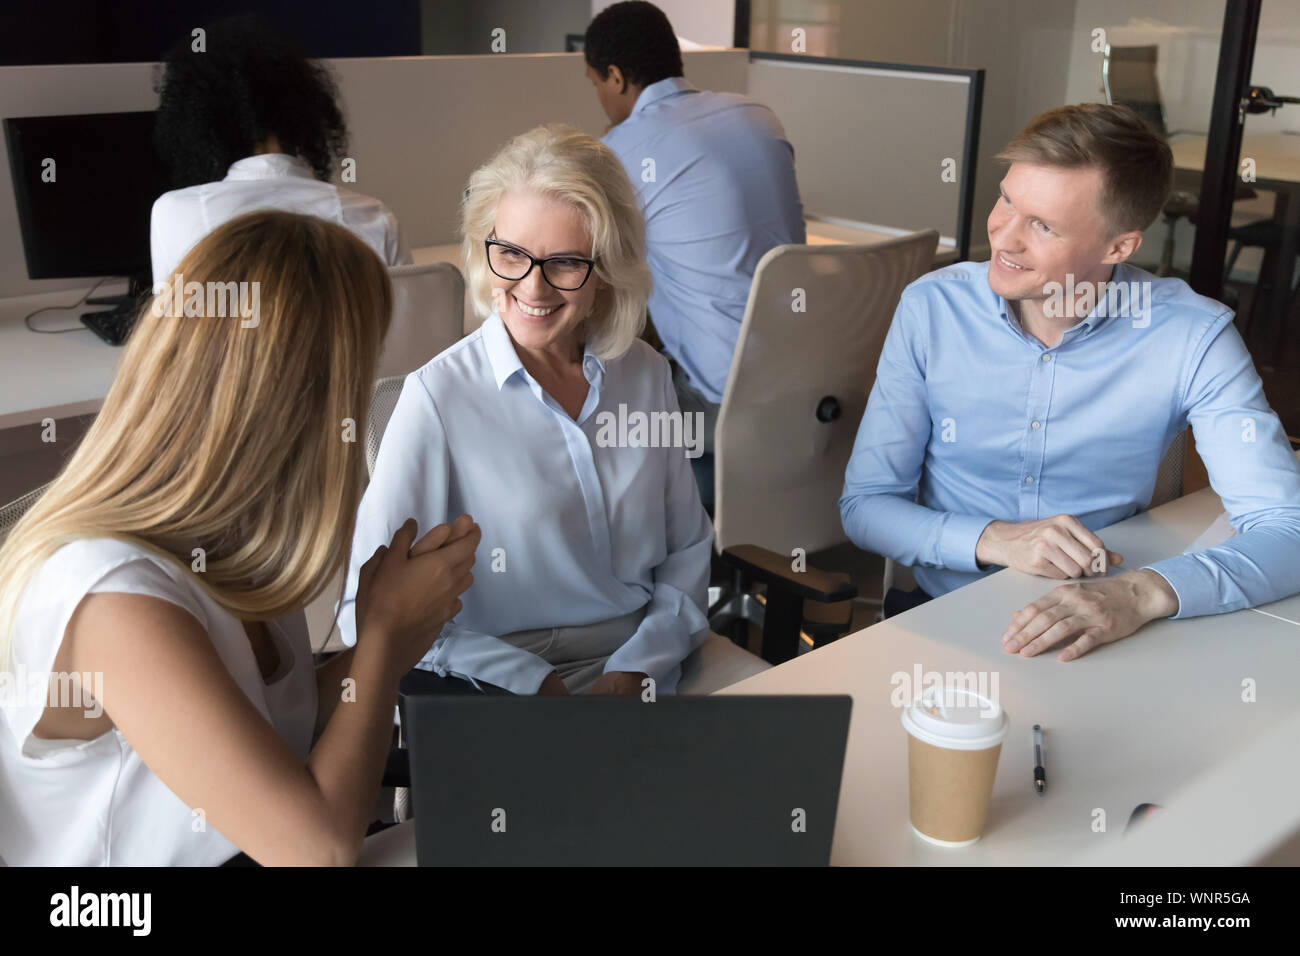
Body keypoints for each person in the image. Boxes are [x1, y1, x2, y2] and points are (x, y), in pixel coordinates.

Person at [0, 211, 478, 866]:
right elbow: (317, 849)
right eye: (354, 379)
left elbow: (273, 727)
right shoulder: (112, 596)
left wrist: (392, 642)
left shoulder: (234, 541)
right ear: (295, 402)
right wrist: (384, 636)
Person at [839, 103, 1300, 660]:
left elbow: (1287, 530)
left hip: (1104, 622)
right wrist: (997, 539)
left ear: (1119, 247)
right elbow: (866, 506)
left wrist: (1140, 593)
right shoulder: (932, 308)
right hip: (945, 620)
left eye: (1042, 225)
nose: (1004, 239)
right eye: (1007, 199)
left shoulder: (1190, 335)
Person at [337, 124, 715, 697]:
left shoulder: (646, 374)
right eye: (511, 254)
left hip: (642, 660)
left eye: (564, 263)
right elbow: (360, 615)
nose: (532, 288)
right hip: (496, 679)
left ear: (606, 271)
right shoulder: (438, 399)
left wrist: (636, 670)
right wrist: (531, 684)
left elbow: (686, 550)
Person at [584, 0, 805, 507]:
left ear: (615, 78)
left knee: (589, 415)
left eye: (595, 83)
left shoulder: (623, 149)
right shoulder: (757, 115)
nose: (599, 96)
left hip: (723, 402)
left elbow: (597, 272)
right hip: (806, 381)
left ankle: (652, 564)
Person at [149, 15, 410, 286]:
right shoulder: (374, 217)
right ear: (305, 107)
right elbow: (406, 323)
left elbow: (174, 322)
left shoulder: (175, 214)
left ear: (198, 122)